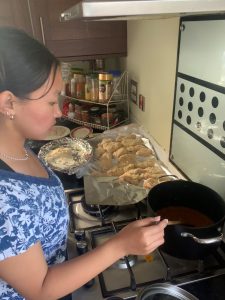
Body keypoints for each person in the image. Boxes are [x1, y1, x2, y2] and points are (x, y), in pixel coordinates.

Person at [0, 27, 168, 300]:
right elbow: (40, 290)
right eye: (52, 101)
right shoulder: (3, 197)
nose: (59, 111)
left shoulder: (19, 147)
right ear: (9, 103)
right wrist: (119, 245)